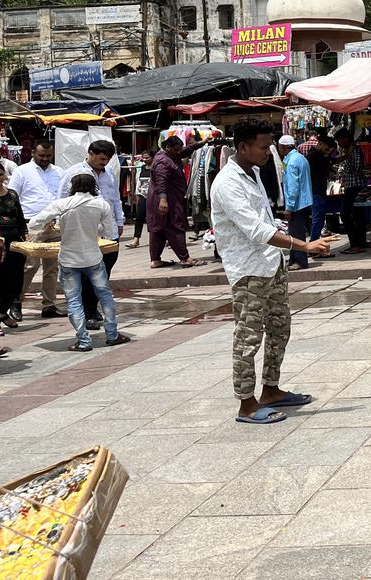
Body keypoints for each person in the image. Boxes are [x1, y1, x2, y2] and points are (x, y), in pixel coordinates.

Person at [210, 117, 331, 425]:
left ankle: (271, 390)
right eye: (264, 147)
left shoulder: (254, 173)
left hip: (270, 263)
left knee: (279, 328)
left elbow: (265, 220)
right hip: (248, 269)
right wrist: (304, 246)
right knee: (248, 337)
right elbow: (255, 229)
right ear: (243, 146)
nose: (269, 151)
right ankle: (246, 404)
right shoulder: (227, 182)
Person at [29, 174, 129, 353]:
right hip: (93, 258)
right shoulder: (101, 204)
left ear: (73, 186)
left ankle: (83, 341)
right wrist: (93, 228)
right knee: (105, 296)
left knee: (74, 301)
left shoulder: (62, 204)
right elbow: (109, 231)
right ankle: (112, 335)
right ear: (94, 187)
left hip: (69, 260)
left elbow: (35, 222)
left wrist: (47, 227)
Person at [61, 140, 124, 326]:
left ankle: (92, 306)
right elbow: (62, 199)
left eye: (107, 160)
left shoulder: (109, 173)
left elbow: (116, 199)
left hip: (109, 230)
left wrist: (119, 221)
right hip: (85, 231)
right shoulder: (73, 172)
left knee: (105, 269)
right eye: (102, 159)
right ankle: (87, 311)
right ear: (90, 153)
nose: (104, 163)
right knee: (89, 271)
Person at [8, 142, 63, 319]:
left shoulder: (59, 172)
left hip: (54, 225)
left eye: (48, 156)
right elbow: (12, 198)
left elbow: (62, 197)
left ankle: (49, 305)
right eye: (41, 156)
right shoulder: (22, 171)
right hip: (31, 225)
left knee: (52, 267)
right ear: (32, 153)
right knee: (30, 266)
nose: (45, 159)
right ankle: (16, 301)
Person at [146, 136, 206, 270]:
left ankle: (155, 260)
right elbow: (161, 182)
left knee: (159, 229)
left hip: (165, 198)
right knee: (175, 226)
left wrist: (201, 143)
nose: (178, 152)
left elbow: (184, 151)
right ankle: (185, 258)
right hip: (166, 200)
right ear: (168, 148)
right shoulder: (163, 161)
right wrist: (163, 200)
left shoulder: (170, 155)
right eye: (176, 150)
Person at [0, 165, 27, 333]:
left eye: (1, 174)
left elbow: (19, 216)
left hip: (15, 241)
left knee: (16, 282)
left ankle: (1, 312)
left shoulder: (12, 194)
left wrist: (25, 234)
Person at [277, 135, 313, 269]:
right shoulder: (300, 158)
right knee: (294, 233)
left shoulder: (291, 162)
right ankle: (293, 259)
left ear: (284, 147)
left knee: (296, 234)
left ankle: (300, 261)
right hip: (304, 201)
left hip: (297, 203)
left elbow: (292, 187)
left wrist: (289, 207)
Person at [299, 131, 339, 246]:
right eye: (327, 149)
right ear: (321, 144)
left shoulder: (316, 155)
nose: (327, 152)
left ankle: (315, 243)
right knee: (318, 217)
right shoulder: (314, 156)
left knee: (319, 217)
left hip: (317, 190)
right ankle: (314, 243)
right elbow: (331, 161)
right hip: (316, 190)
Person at [334, 128, 368, 254]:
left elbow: (358, 168)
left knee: (346, 214)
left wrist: (345, 170)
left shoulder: (355, 150)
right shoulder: (348, 151)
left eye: (339, 140)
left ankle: (355, 243)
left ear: (345, 138)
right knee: (357, 215)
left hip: (355, 186)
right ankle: (360, 242)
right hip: (350, 185)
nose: (339, 143)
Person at [125, 150, 154, 249]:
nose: (145, 159)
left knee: (153, 218)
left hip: (154, 195)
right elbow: (138, 180)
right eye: (144, 157)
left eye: (147, 157)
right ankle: (136, 239)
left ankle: (155, 238)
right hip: (142, 194)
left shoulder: (156, 168)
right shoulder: (142, 167)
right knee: (139, 216)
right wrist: (136, 193)